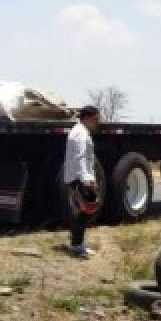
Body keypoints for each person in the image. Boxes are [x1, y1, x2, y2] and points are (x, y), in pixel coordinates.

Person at [64, 105, 101, 258]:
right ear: (86, 118)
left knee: (84, 210)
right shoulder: (80, 134)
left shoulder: (81, 131)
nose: (97, 122)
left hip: (78, 177)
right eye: (95, 119)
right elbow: (80, 158)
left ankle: (76, 240)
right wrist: (87, 180)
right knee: (88, 209)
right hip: (80, 178)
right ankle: (77, 245)